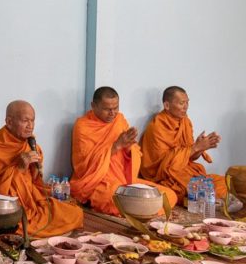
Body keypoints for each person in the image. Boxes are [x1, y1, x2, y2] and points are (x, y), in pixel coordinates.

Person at [0, 100, 83, 237]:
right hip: (4, 206)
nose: (30, 126)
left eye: (33, 121)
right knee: (12, 224)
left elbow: (35, 181)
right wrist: (18, 167)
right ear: (9, 121)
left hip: (30, 199)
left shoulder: (30, 142)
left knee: (75, 212)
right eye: (25, 121)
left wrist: (36, 169)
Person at [70, 87, 177, 216]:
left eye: (116, 108)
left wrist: (128, 147)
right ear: (93, 106)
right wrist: (116, 146)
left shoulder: (119, 121)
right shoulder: (83, 126)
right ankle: (144, 209)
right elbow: (84, 166)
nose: (112, 113)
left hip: (125, 180)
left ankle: (141, 209)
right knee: (117, 200)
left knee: (168, 195)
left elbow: (134, 154)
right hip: (99, 183)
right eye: (107, 109)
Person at [140, 86, 227, 204]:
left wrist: (201, 147)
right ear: (167, 105)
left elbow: (190, 157)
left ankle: (209, 199)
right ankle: (208, 199)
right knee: (191, 188)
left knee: (223, 182)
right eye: (182, 103)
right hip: (164, 176)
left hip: (184, 170)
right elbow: (165, 166)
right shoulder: (157, 127)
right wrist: (196, 147)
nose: (186, 107)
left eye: (187, 102)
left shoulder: (185, 121)